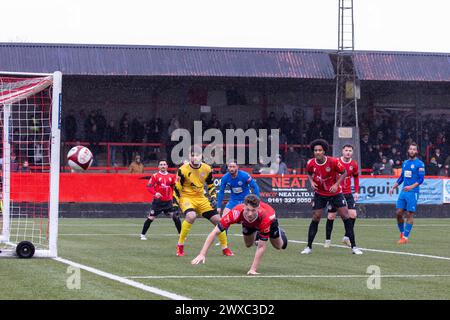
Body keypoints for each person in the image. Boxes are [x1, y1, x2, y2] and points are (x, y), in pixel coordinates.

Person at [191, 194, 287, 275]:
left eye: (253, 210)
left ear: (258, 208)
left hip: (270, 223)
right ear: (243, 206)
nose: (250, 214)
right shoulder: (236, 212)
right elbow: (214, 232)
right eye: (247, 210)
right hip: (249, 224)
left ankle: (279, 232)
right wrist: (202, 254)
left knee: (279, 246)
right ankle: (258, 232)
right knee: (248, 244)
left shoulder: (266, 216)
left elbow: (262, 246)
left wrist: (253, 269)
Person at [300, 139, 362, 255]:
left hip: (335, 193)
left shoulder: (333, 162)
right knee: (316, 217)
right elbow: (308, 173)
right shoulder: (310, 163)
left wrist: (336, 184)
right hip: (320, 194)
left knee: (346, 216)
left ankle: (354, 247)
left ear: (324, 151)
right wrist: (311, 182)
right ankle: (308, 247)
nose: (317, 152)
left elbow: (344, 172)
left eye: (320, 150)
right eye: (315, 150)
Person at [173, 145, 233, 257]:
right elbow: (177, 188)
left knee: (219, 221)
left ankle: (225, 248)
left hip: (201, 198)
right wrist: (175, 205)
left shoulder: (207, 168)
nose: (195, 157)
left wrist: (213, 198)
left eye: (197, 155)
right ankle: (180, 245)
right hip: (187, 198)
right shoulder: (182, 170)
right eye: (193, 155)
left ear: (202, 156)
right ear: (189, 156)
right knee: (191, 216)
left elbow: (210, 185)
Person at [388, 142, 425, 244]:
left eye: (414, 149)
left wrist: (411, 187)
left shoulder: (420, 164)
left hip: (413, 192)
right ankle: (402, 233)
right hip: (404, 191)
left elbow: (421, 179)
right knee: (398, 213)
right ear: (408, 150)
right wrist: (394, 186)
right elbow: (402, 177)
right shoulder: (405, 163)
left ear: (416, 151)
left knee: (409, 214)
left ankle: (405, 238)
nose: (412, 151)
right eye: (411, 149)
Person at [325, 144, 360, 248]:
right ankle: (327, 240)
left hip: (348, 193)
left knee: (353, 215)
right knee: (331, 216)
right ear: (342, 151)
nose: (348, 152)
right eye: (346, 150)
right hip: (336, 194)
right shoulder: (336, 162)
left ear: (352, 152)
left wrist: (356, 191)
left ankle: (346, 237)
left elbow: (356, 177)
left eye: (350, 150)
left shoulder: (354, 164)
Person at [140, 160, 181, 240]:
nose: (163, 166)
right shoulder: (155, 176)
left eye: (164, 164)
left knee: (175, 217)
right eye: (161, 164)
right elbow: (149, 186)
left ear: (167, 166)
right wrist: (155, 193)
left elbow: (176, 186)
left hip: (168, 202)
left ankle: (181, 235)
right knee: (151, 218)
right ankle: (142, 235)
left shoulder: (172, 176)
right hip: (157, 202)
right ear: (158, 167)